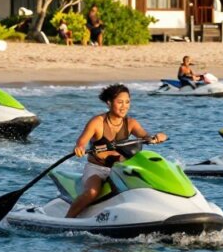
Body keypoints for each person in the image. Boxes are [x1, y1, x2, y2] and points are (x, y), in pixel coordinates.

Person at [66, 84, 166, 218]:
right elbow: (81, 142)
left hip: (119, 169)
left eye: (127, 102)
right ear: (109, 103)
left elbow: (145, 136)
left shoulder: (131, 123)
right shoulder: (97, 122)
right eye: (120, 102)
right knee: (92, 192)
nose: (124, 106)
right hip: (97, 169)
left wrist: (156, 137)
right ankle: (68, 218)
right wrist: (79, 148)